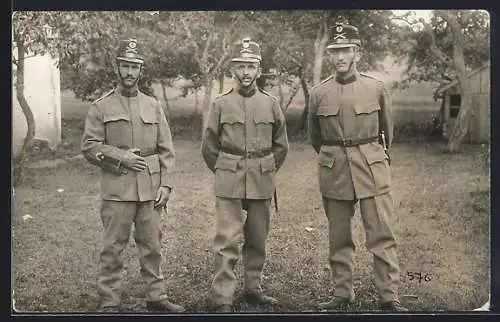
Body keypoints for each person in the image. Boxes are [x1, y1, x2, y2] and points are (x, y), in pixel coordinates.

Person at [308, 22, 408, 312]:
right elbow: (315, 137)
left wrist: (371, 154)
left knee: (381, 234)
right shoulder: (318, 93)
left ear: (357, 53)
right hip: (334, 169)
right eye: (335, 51)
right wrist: (336, 155)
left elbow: (388, 132)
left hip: (371, 168)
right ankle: (342, 292)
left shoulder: (376, 88)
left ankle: (389, 296)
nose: (340, 57)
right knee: (339, 236)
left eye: (346, 50)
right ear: (330, 55)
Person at [81, 38, 185, 313]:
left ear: (141, 70)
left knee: (152, 245)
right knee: (113, 246)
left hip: (150, 188)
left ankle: (156, 296)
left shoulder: (153, 105)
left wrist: (167, 185)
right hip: (116, 188)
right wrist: (121, 156)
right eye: (125, 66)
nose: (129, 72)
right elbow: (89, 147)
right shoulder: (100, 107)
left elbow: (166, 149)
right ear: (117, 68)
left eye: (134, 67)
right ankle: (110, 299)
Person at [201, 38, 289, 312]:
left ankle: (253, 288)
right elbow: (209, 146)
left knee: (257, 237)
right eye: (240, 66)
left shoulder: (271, 104)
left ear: (259, 69)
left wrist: (266, 166)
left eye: (251, 66)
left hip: (261, 178)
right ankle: (223, 297)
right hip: (230, 177)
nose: (246, 73)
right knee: (227, 240)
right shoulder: (220, 104)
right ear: (232, 70)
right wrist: (226, 167)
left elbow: (281, 145)